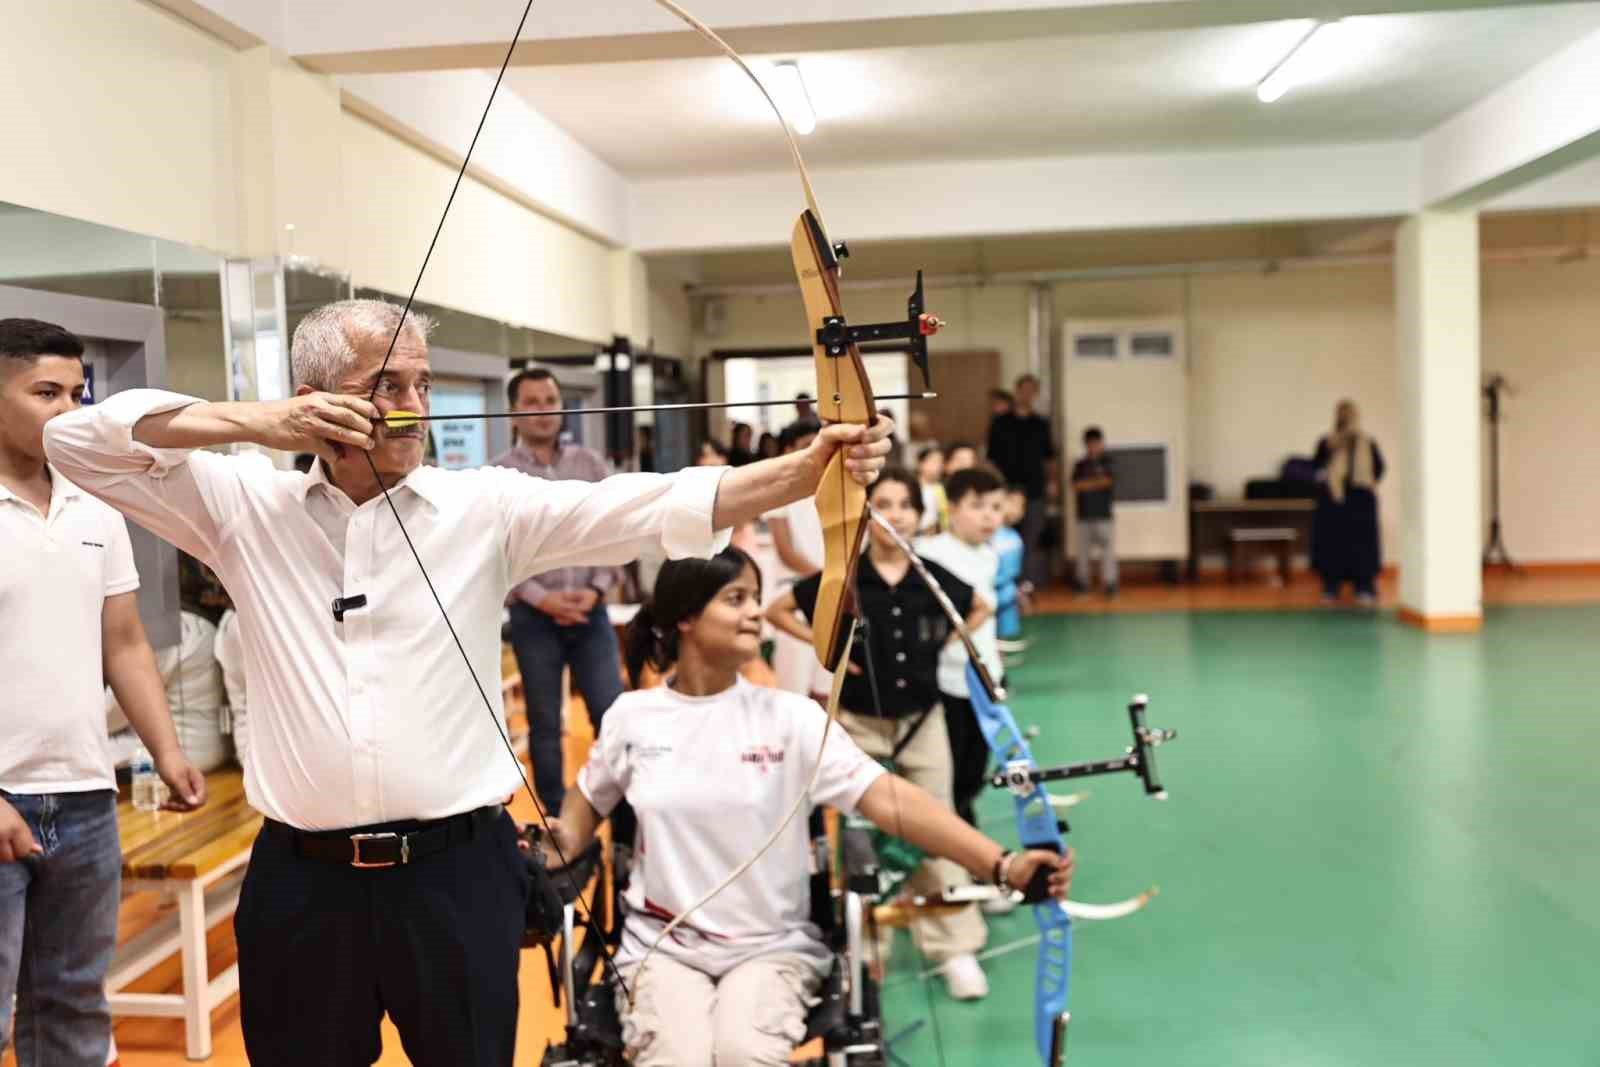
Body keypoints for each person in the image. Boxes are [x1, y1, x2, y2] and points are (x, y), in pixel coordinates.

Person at [43, 298, 893, 1067]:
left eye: (422, 380)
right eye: (385, 383)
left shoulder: (483, 506)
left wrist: (812, 468)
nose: (411, 402)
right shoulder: (240, 505)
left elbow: (650, 503)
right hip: (305, 883)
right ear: (313, 396)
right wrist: (262, 423)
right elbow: (74, 438)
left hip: (456, 874)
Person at [542, 547, 1074, 1065]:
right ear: (686, 616)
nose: (755, 611)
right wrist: (559, 841)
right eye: (735, 598)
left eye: (755, 597)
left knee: (743, 1053)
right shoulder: (633, 718)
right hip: (661, 948)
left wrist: (1001, 864)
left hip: (772, 947)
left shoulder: (790, 718)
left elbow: (891, 800)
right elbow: (587, 802)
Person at [0, 318, 205, 1067]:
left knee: (73, 1002)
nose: (69, 411)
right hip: (1, 793)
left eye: (78, 394)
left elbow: (122, 642)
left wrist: (167, 750)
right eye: (45, 392)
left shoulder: (96, 504)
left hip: (86, 799)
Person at [766, 469, 995, 999]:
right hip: (858, 725)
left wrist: (938, 645)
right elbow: (778, 610)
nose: (893, 515)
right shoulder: (844, 578)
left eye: (903, 505)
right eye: (882, 504)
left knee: (939, 825)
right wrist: (831, 652)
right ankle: (866, 946)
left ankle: (952, 947)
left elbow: (980, 607)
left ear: (919, 515)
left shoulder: (932, 577)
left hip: (922, 721)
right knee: (860, 838)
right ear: (865, 515)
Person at [491, 368, 625, 826]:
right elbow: (495, 555)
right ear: (514, 411)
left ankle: (617, 809)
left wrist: (595, 590)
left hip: (592, 613)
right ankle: (555, 820)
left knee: (611, 713)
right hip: (535, 619)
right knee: (546, 723)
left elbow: (616, 534)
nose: (544, 410)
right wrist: (541, 599)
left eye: (550, 399)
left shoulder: (589, 465)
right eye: (532, 402)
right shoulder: (499, 475)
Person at [915, 467, 1005, 833]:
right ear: (951, 507)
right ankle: (956, 837)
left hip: (985, 681)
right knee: (948, 768)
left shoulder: (990, 555)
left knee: (975, 767)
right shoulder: (929, 553)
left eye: (996, 507)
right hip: (946, 681)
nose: (989, 516)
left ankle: (962, 828)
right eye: (977, 506)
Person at [765, 420, 832, 701]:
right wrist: (824, 576)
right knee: (794, 687)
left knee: (825, 683)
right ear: (788, 450)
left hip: (829, 591)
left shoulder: (832, 488)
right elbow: (785, 550)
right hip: (794, 594)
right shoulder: (779, 493)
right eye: (806, 447)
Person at [1312, 400, 1386, 607]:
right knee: (1332, 545)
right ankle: (1331, 588)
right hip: (1334, 500)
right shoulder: (1327, 442)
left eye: (1349, 414)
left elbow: (1379, 470)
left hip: (1361, 500)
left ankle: (1364, 588)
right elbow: (1316, 466)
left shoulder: (1367, 442)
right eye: (1343, 414)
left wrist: (1363, 481)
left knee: (1362, 546)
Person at [987, 374, 1056, 591]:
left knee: (1031, 537)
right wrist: (997, 487)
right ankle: (1005, 580)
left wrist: (1052, 483)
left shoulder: (1041, 424)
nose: (1026, 394)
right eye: (1023, 389)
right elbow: (991, 459)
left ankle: (1026, 584)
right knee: (1002, 536)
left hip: (1035, 490)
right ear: (1016, 391)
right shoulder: (1000, 422)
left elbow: (1050, 458)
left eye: (1031, 390)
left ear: (1035, 394)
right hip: (1006, 490)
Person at [1071, 427, 1117, 598]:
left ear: (1101, 443)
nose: (1093, 446)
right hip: (1084, 514)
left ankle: (1110, 583)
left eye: (1096, 443)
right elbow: (1076, 486)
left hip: (1104, 514)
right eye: (1090, 443)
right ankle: (1082, 582)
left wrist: (1088, 484)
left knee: (1108, 551)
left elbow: (1108, 481)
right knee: (1082, 551)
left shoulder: (1108, 462)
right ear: (1085, 445)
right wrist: (1095, 483)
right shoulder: (1080, 465)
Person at [993, 486, 1029, 655]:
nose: (1019, 510)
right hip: (990, 591)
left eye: (1022, 506)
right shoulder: (989, 534)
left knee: (1003, 628)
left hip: (1007, 591)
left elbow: (1014, 570)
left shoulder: (1013, 537)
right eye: (1014, 503)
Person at [914, 445, 946, 535]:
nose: (939, 466)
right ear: (921, 463)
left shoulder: (941, 489)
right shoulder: (911, 487)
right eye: (934, 461)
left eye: (941, 462)